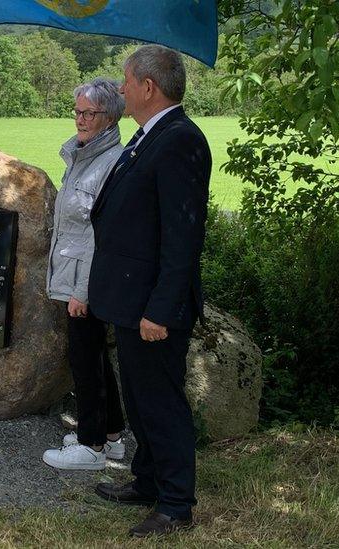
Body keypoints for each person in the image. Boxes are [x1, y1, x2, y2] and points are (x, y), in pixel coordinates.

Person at [87, 45, 211, 537]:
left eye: (125, 80)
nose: (120, 89)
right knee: (138, 399)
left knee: (160, 403)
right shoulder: (148, 137)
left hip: (153, 304)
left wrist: (160, 309)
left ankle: (176, 504)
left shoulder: (179, 139)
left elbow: (183, 238)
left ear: (147, 87)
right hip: (129, 297)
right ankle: (147, 480)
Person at [42, 78, 126, 471]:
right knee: (92, 355)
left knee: (85, 359)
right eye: (77, 111)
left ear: (108, 118)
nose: (80, 119)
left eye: (88, 113)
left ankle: (90, 446)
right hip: (75, 275)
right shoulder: (83, 157)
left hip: (86, 282)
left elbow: (99, 234)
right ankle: (111, 436)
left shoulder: (110, 163)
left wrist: (82, 291)